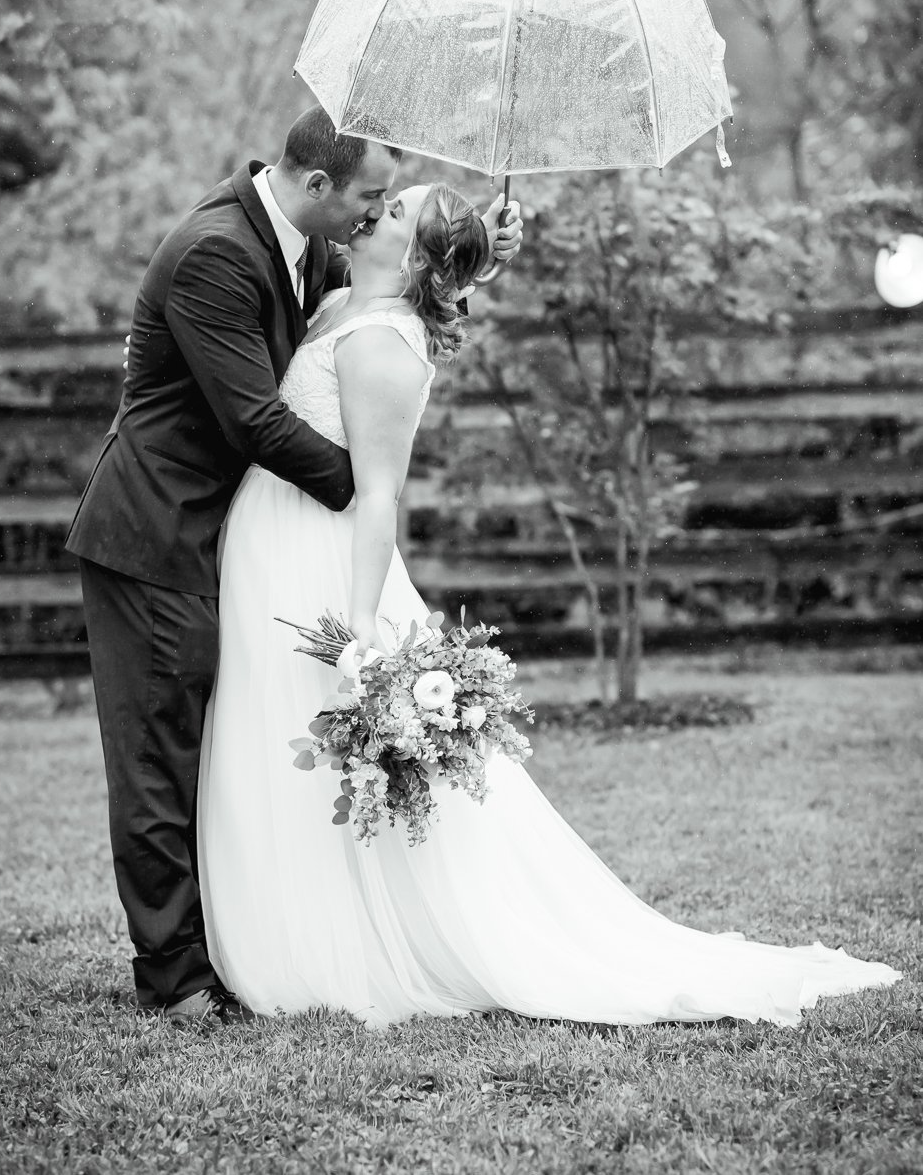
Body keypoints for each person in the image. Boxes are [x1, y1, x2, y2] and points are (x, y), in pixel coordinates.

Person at [198, 180, 901, 1031]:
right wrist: (482, 255)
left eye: (391, 214)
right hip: (270, 546)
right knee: (272, 749)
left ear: (414, 254)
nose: (371, 214)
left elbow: (377, 497)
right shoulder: (348, 300)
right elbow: (417, 290)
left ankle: (330, 945)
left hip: (321, 564)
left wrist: (357, 632)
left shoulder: (386, 342)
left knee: (310, 740)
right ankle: (294, 916)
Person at [65, 103, 524, 1023]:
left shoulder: (304, 244)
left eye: (388, 204)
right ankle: (176, 978)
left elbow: (393, 295)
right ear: (319, 185)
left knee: (218, 747)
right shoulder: (217, 252)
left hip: (228, 537)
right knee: (159, 754)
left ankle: (220, 947)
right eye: (371, 196)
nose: (373, 212)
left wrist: (476, 253)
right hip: (155, 531)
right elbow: (255, 421)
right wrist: (367, 482)